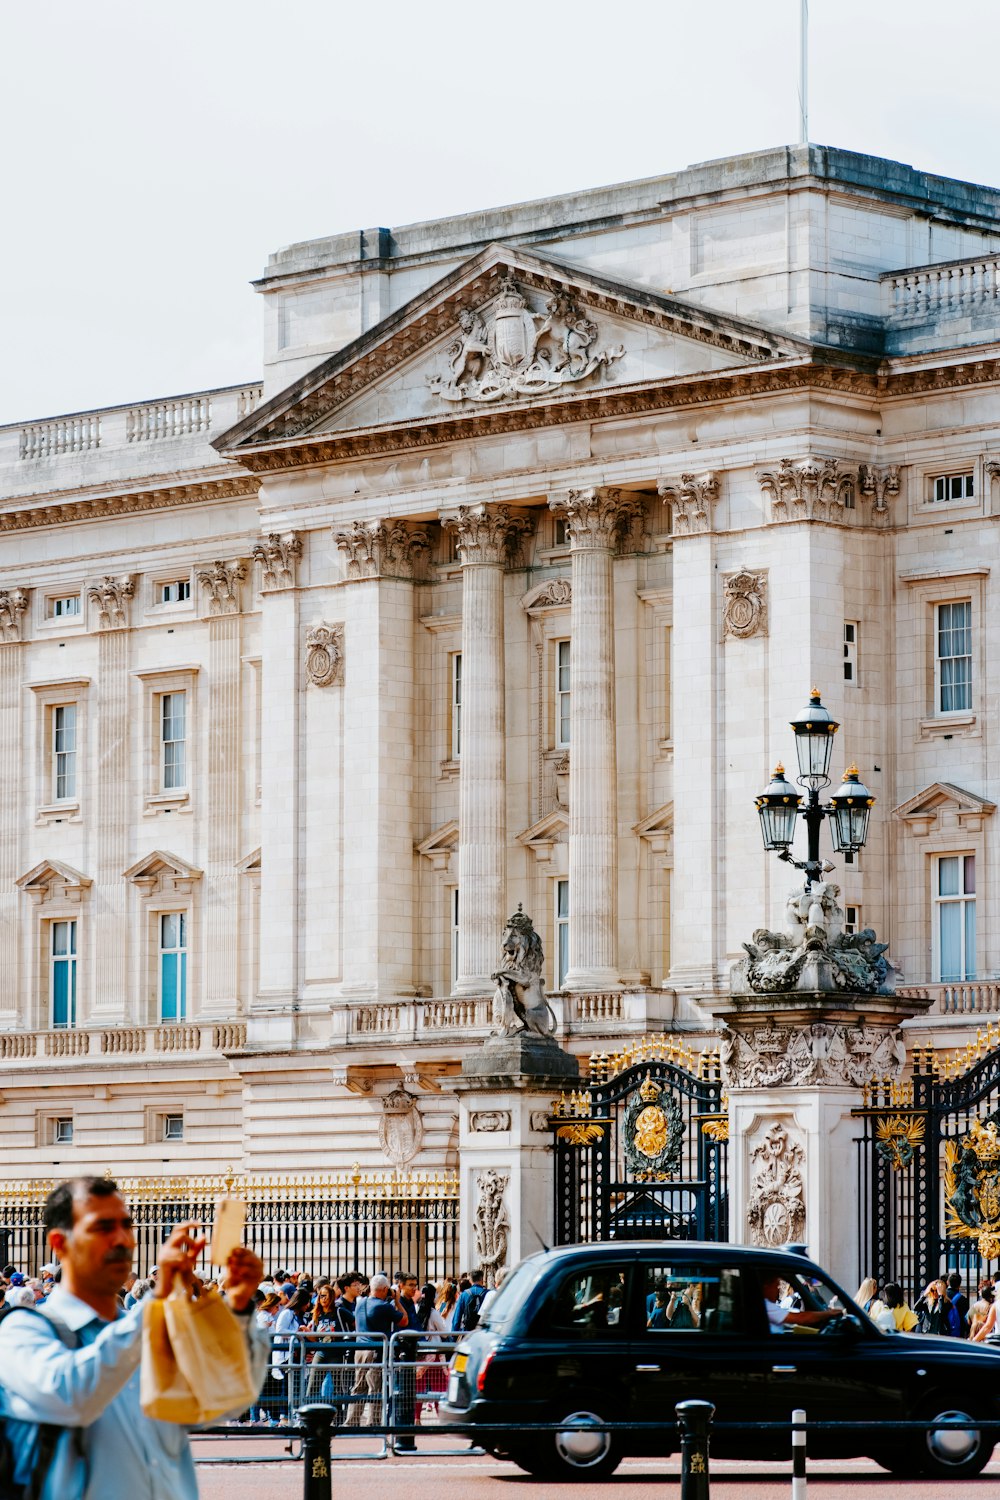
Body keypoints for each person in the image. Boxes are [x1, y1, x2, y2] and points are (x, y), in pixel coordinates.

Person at [0, 1174, 269, 1499]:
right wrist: (157, 1302)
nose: (123, 1240)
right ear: (60, 1244)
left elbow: (227, 1401)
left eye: (126, 1226)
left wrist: (238, 1309)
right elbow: (72, 1396)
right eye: (103, 1228)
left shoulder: (141, 1327)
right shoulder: (20, 1331)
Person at [345, 1273, 407, 1428]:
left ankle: (351, 1422)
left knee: (358, 1387)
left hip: (359, 1350)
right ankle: (373, 1422)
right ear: (385, 1289)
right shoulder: (384, 1306)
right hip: (375, 1351)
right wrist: (398, 1301)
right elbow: (404, 1320)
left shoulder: (360, 1303)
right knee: (375, 1388)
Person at [761, 1274, 844, 1332]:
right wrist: (829, 1313)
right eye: (776, 1286)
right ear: (766, 1286)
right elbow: (801, 1318)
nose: (778, 1290)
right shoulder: (765, 1306)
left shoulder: (766, 1305)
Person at [452, 1268, 487, 1332]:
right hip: (483, 1331)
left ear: (470, 1280)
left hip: (467, 1332)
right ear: (482, 1279)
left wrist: (454, 1335)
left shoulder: (464, 1294)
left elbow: (457, 1317)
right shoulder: (488, 1293)